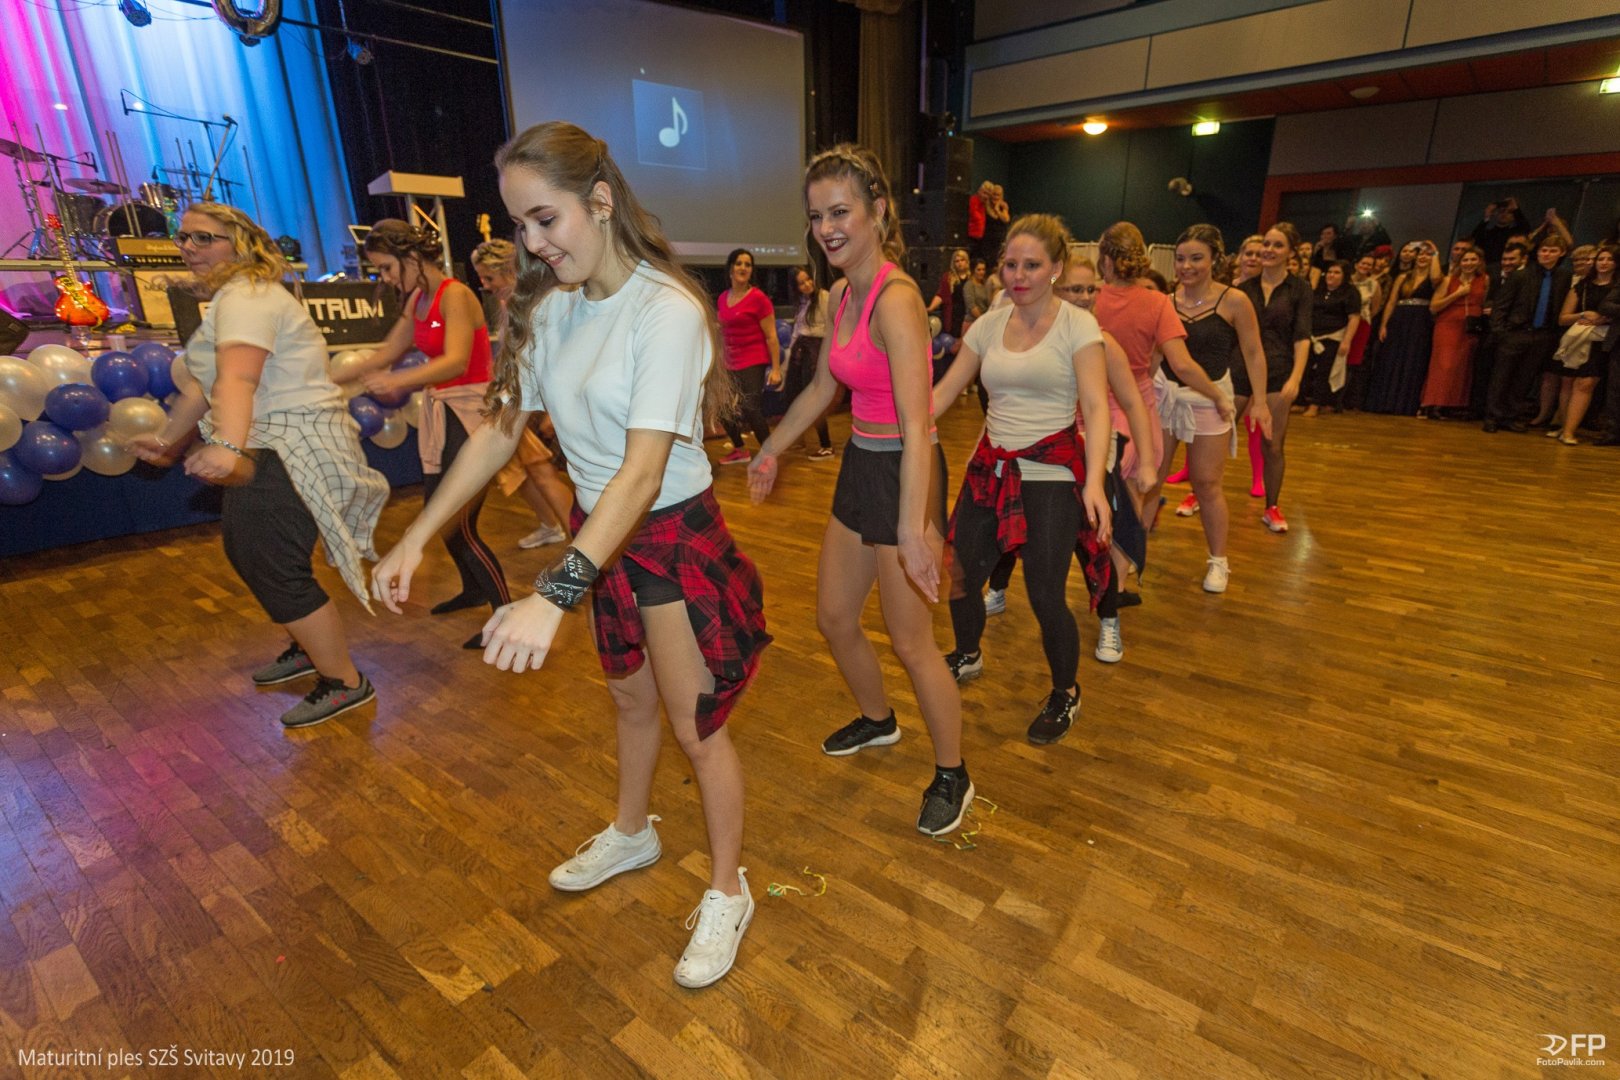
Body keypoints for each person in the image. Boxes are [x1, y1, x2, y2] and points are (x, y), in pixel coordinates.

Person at [372, 121, 769, 989]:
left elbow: (643, 473)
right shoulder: (553, 310)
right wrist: (416, 533)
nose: (533, 243)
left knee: (697, 727)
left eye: (545, 219)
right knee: (629, 700)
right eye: (521, 225)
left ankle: (728, 888)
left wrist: (553, 593)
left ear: (601, 200)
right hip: (603, 535)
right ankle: (632, 834)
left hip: (665, 533)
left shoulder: (665, 311)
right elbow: (499, 430)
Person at [748, 143, 972, 836]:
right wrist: (771, 450)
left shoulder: (895, 300)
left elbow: (918, 425)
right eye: (817, 216)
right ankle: (879, 719)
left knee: (912, 641)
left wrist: (913, 527)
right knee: (835, 617)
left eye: (840, 212)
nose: (827, 228)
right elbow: (824, 386)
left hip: (908, 469)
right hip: (861, 465)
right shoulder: (841, 293)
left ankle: (953, 773)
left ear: (877, 211)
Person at [127, 203, 388, 728]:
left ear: (241, 244)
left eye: (204, 238)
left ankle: (344, 682)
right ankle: (309, 647)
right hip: (269, 442)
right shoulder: (233, 298)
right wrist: (167, 441)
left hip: (294, 444)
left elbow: (238, 379)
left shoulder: (249, 297)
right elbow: (205, 384)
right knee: (253, 551)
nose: (189, 247)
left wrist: (226, 445)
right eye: (184, 238)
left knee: (270, 560)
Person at [926, 216, 1124, 743]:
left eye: (1032, 265)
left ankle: (1066, 692)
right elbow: (946, 390)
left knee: (1044, 595)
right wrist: (901, 422)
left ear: (1056, 267)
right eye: (1011, 264)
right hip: (991, 469)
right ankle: (968, 653)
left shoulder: (1077, 326)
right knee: (961, 574)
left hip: (1050, 473)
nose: (1018, 275)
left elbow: (1096, 407)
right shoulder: (989, 325)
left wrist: (1095, 484)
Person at [339, 219, 509, 649]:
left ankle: (505, 617)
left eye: (387, 267)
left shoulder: (456, 295)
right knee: (440, 511)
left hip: (470, 413)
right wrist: (326, 379)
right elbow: (387, 352)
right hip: (443, 413)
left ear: (412, 257)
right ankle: (473, 590)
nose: (385, 277)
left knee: (458, 522)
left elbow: (455, 361)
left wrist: (396, 381)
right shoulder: (418, 299)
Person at [1093, 220, 1234, 652]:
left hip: (1092, 407)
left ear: (1104, 259)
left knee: (1093, 503)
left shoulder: (1089, 298)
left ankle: (1099, 584)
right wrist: (1219, 395)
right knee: (1131, 506)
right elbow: (1183, 365)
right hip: (1137, 409)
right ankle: (1114, 596)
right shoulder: (1157, 303)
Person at [1162, 224, 1270, 590]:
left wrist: (1260, 401)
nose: (1186, 266)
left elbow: (1253, 352)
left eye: (1196, 258)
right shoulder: (1165, 301)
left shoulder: (1234, 301)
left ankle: (1218, 561)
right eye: (1180, 259)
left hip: (1211, 400)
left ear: (1214, 260)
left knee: (1207, 483)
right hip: (1166, 397)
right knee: (1149, 480)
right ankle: (1131, 554)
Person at [472, 236, 574, 549]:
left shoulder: (536, 304)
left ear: (509, 271)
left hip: (538, 405)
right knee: (533, 472)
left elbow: (556, 359)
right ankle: (562, 532)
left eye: (489, 277)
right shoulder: (515, 305)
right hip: (525, 403)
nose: (486, 285)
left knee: (542, 473)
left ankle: (581, 544)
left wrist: (553, 412)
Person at [1234, 223, 1313, 534]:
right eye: (1266, 243)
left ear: (1290, 252)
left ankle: (1272, 507)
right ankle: (1199, 493)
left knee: (1273, 445)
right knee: (1215, 437)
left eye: (1277, 245)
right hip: (1240, 368)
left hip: (1279, 371)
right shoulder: (1244, 289)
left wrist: (1296, 378)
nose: (1268, 250)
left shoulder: (1299, 289)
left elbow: (1302, 336)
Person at [1485, 236, 1571, 433]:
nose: (1546, 254)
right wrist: (1501, 333)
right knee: (1501, 377)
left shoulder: (1564, 277)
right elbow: (1501, 306)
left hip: (1542, 335)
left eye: (1552, 251)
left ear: (1561, 253)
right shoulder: (1521, 275)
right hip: (1516, 333)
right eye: (1543, 250)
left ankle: (1511, 416)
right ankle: (1492, 416)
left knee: (1524, 378)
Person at [717, 247, 782, 465]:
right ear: (731, 268)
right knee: (722, 408)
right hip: (729, 361)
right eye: (739, 263)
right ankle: (739, 450)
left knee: (751, 407)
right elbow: (723, 332)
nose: (743, 268)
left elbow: (771, 337)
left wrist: (776, 369)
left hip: (753, 359)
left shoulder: (758, 299)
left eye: (748, 264)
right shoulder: (723, 298)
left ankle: (769, 455)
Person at [1547, 243, 1615, 444]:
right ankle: (1563, 426)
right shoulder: (1582, 286)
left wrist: (1605, 319)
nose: (1604, 263)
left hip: (1600, 341)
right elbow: (1563, 318)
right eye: (1600, 259)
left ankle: (1569, 431)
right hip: (1578, 339)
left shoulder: (1616, 288)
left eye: (1609, 259)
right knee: (1568, 382)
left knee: (1585, 384)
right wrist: (1584, 314)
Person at [1366, 240, 1442, 418]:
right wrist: (1384, 325)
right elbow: (1391, 301)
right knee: (1391, 358)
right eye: (1421, 254)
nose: (1423, 257)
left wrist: (1435, 252)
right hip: (1399, 320)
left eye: (1427, 255)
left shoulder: (1434, 279)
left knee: (1412, 360)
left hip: (1420, 322)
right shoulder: (1403, 277)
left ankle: (1403, 404)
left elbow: (1436, 277)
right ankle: (1384, 401)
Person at [1420, 245, 1487, 419]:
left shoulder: (1485, 280)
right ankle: (1434, 403)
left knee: (1463, 366)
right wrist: (1457, 294)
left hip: (1470, 327)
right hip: (1448, 326)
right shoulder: (1449, 280)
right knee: (1444, 364)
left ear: (1479, 262)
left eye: (1473, 259)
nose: (1469, 263)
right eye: (1465, 260)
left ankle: (1454, 405)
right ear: (1460, 262)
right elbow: (1434, 307)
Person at [782, 265, 834, 458]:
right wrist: (790, 354)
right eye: (801, 283)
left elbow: (832, 326)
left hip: (816, 350)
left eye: (808, 280)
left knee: (814, 399)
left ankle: (826, 445)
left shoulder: (824, 297)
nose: (807, 285)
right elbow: (797, 330)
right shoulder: (801, 302)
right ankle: (799, 439)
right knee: (794, 396)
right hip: (800, 351)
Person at [1300, 261, 1361, 416]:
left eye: (1336, 272)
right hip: (1313, 335)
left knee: (1323, 372)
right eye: (1329, 272)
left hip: (1333, 337)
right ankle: (1300, 402)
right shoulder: (1319, 290)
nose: (1331, 275)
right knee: (1305, 369)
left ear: (1344, 276)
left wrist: (1346, 341)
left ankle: (1316, 404)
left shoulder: (1350, 292)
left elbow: (1354, 317)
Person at [927, 248, 971, 340]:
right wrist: (931, 308)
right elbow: (941, 295)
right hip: (954, 314)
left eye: (962, 260)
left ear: (967, 261)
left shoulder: (972, 277)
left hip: (969, 313)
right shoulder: (948, 277)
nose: (960, 263)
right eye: (957, 261)